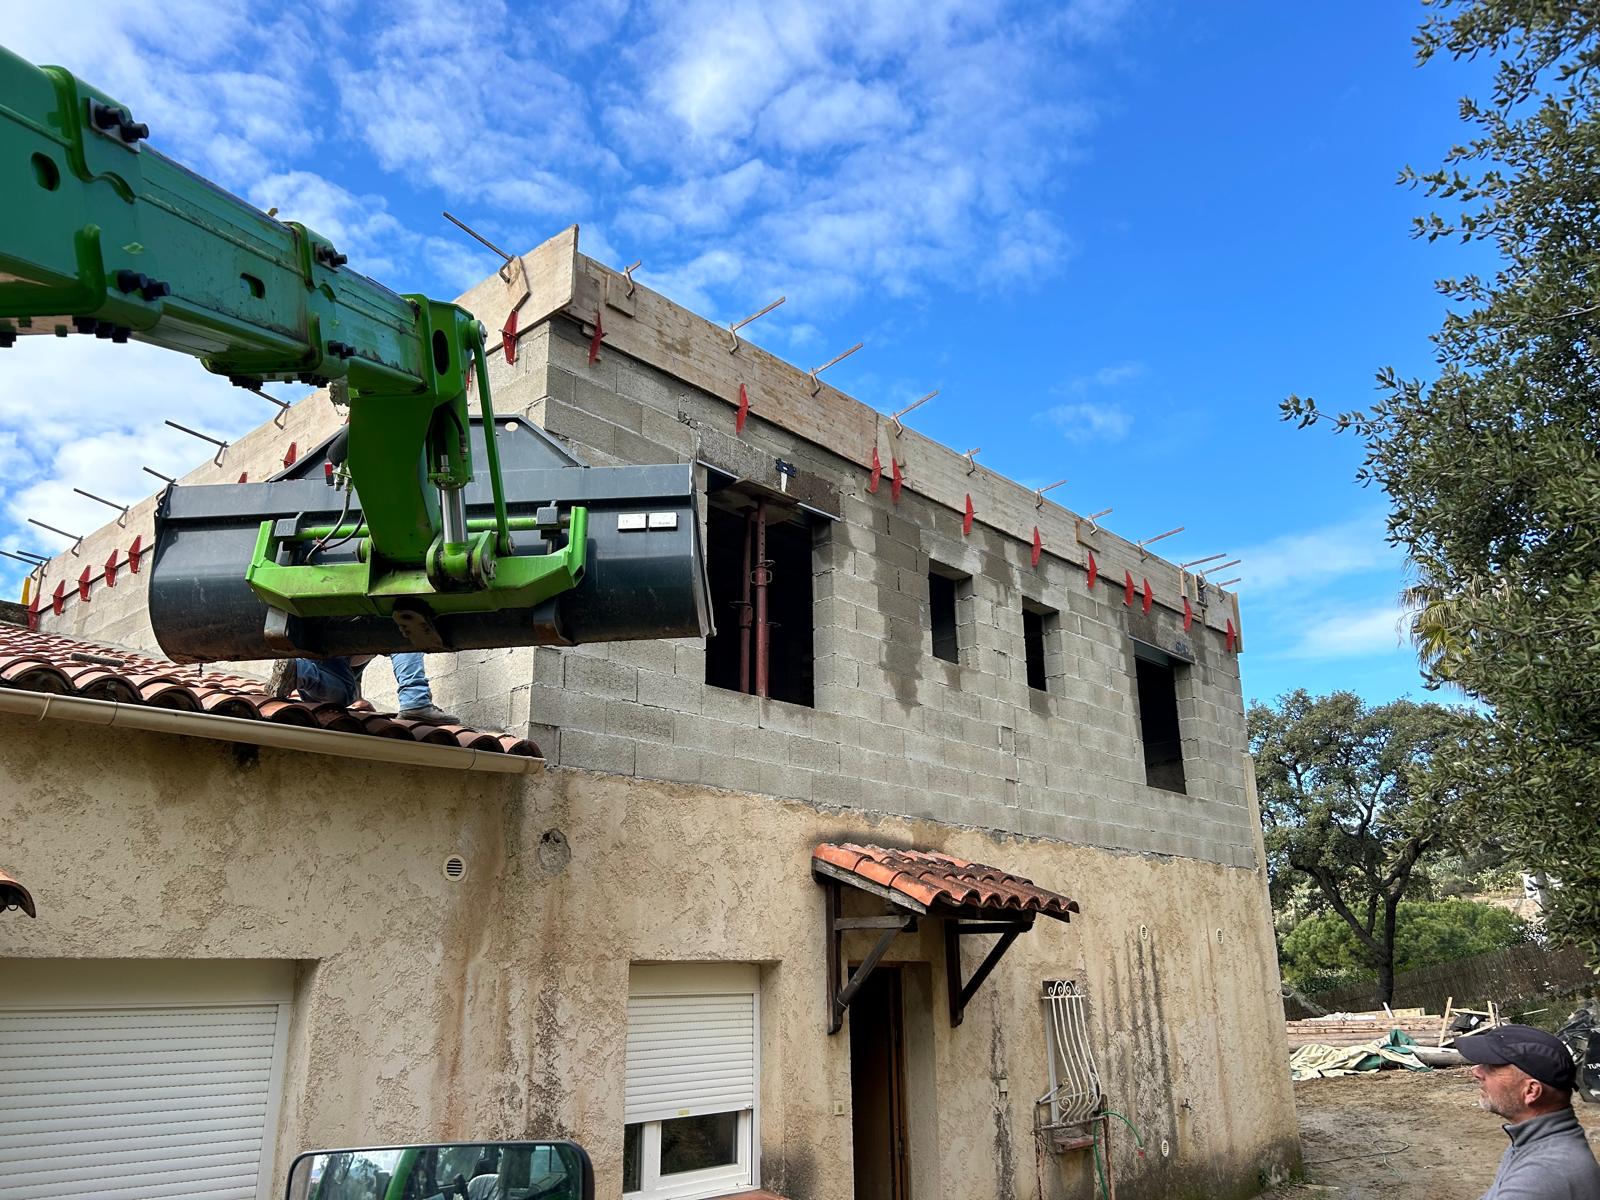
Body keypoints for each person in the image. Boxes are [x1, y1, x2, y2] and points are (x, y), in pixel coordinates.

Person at [1453, 1023, 1600, 1199]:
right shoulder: (1533, 1143)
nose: (1476, 1071)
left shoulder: (1540, 1176)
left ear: (1531, 1091)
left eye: (1492, 1066)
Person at [269, 652, 458, 725]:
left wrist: (358, 705)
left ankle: (298, 671)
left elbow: (351, 699)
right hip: (341, 623)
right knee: (406, 635)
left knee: (342, 697)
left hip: (314, 644)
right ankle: (416, 700)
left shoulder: (350, 673)